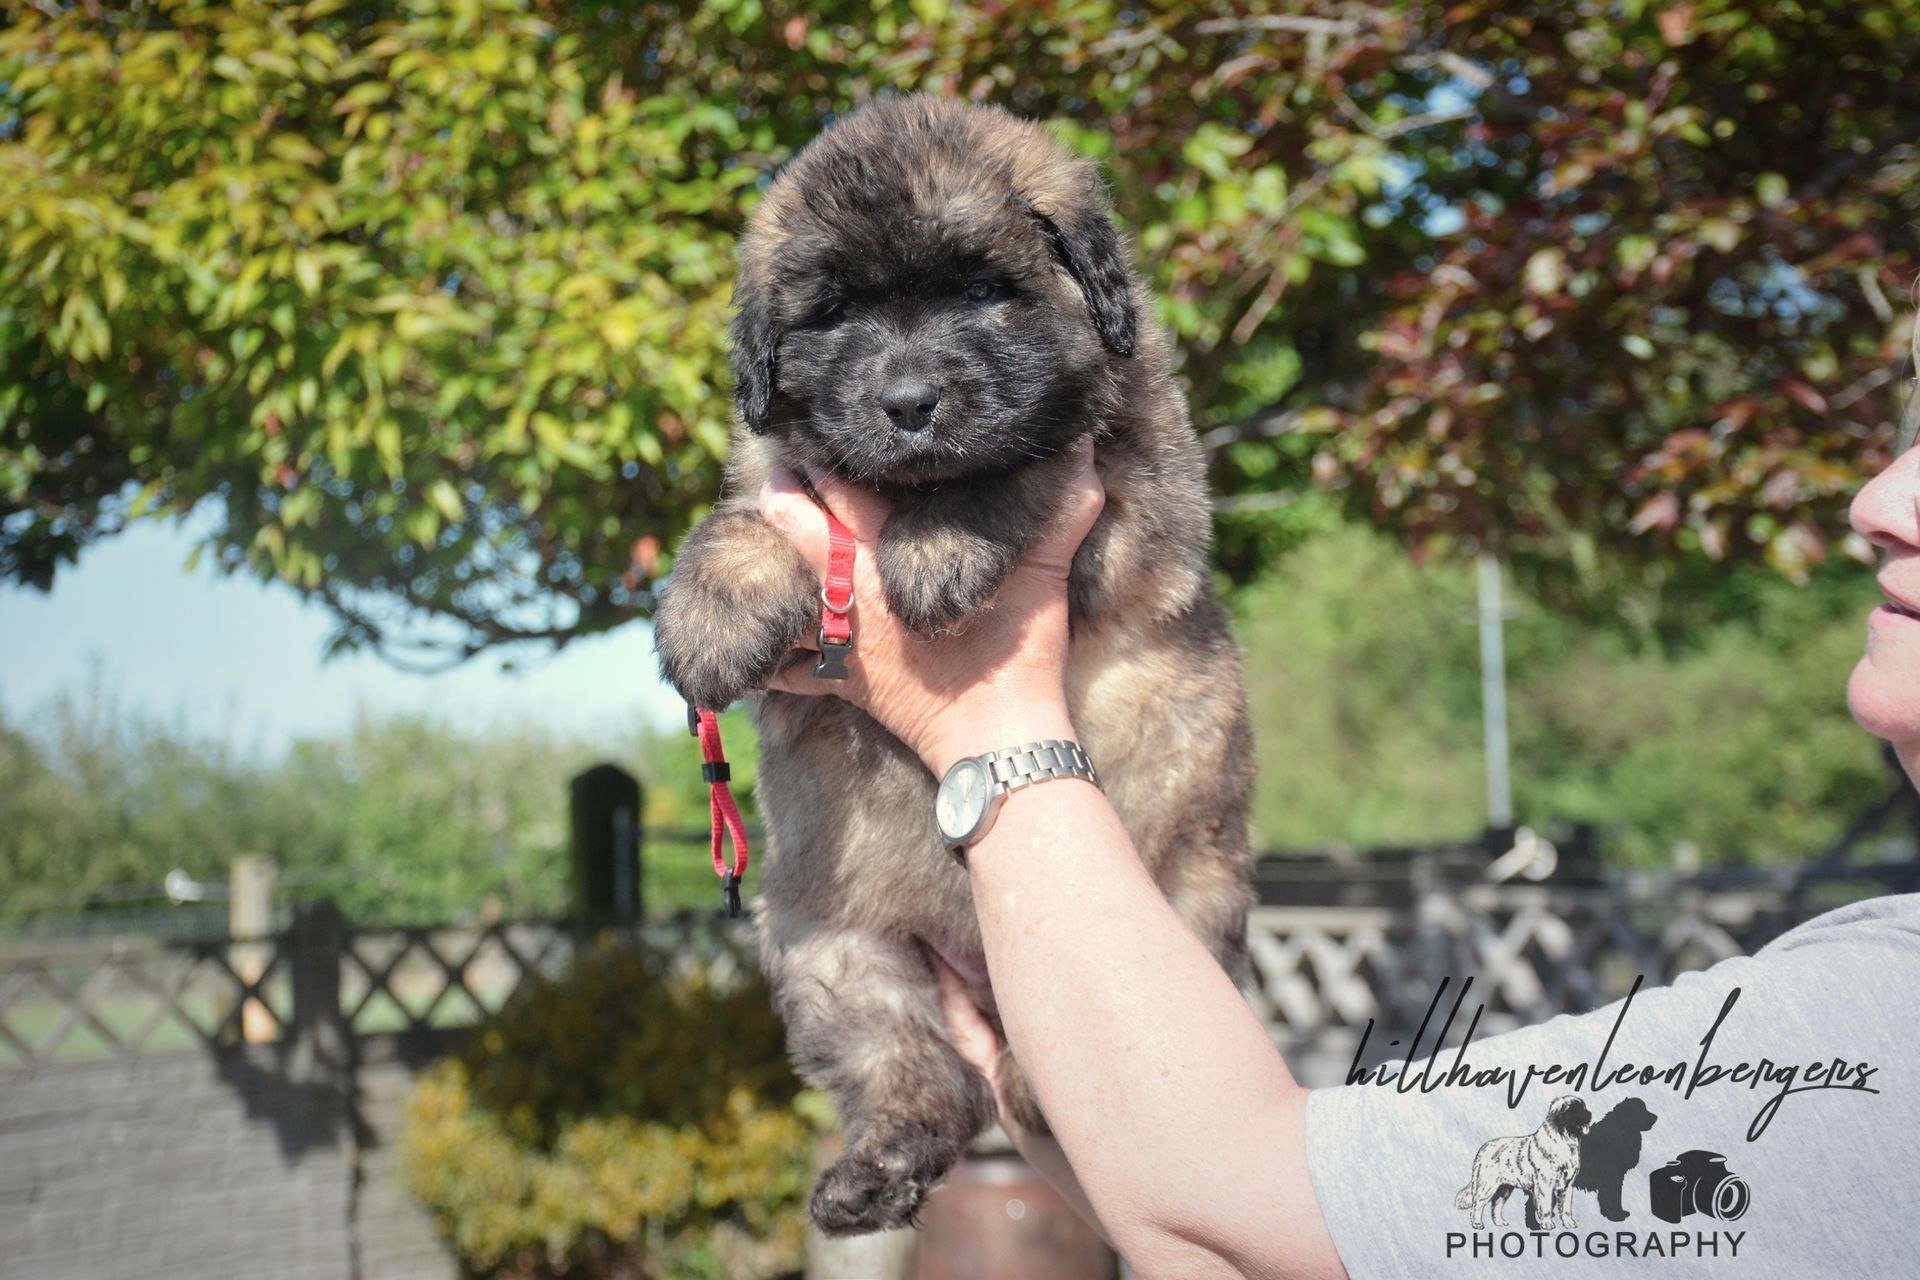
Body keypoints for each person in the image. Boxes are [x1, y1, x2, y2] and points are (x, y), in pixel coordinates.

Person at [753, 436, 1920, 1278]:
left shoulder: (1882, 1027)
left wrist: (979, 717)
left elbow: (1249, 1209)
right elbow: (1252, 1245)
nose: (1879, 498)